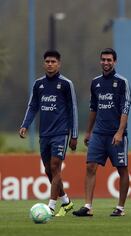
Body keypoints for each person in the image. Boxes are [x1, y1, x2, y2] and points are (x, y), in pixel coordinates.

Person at [73, 48, 131, 217]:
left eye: (109, 60)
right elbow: (93, 108)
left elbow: (126, 108)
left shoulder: (122, 82)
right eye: (103, 60)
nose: (106, 63)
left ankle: (120, 208)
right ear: (100, 61)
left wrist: (120, 132)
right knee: (90, 166)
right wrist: (88, 131)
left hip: (116, 133)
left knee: (122, 169)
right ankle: (87, 206)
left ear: (115, 62)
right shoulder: (95, 82)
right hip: (98, 133)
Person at [19, 50, 78, 216]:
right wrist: (25, 125)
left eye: (53, 61)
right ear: (44, 63)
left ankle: (51, 207)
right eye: (47, 61)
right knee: (48, 170)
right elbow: (32, 106)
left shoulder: (66, 84)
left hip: (60, 133)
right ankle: (66, 202)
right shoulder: (39, 84)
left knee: (55, 167)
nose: (50, 64)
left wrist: (73, 135)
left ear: (59, 64)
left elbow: (73, 109)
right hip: (44, 134)